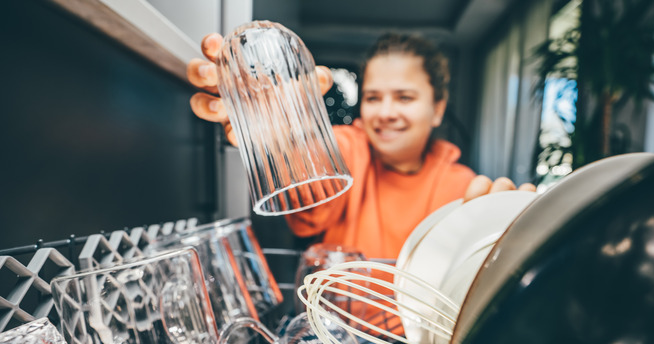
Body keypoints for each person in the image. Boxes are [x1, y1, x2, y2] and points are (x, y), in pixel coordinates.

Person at [188, 31, 534, 261]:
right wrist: (282, 137)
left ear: (437, 108)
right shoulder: (348, 149)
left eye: (404, 97)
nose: (384, 113)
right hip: (338, 339)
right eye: (372, 97)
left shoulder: (461, 185)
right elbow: (308, 192)